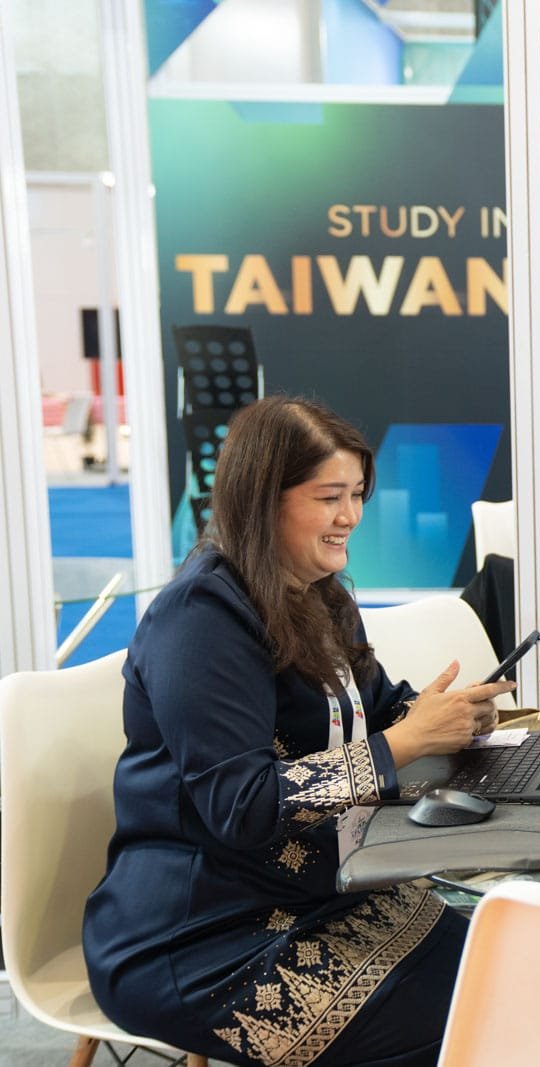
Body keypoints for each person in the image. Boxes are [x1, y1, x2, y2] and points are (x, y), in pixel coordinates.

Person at [84, 396, 516, 1066]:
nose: (351, 516)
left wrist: (443, 716)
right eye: (330, 497)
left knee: (509, 977)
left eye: (357, 494)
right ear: (263, 500)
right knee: (465, 1023)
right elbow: (243, 805)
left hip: (317, 891)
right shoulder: (200, 618)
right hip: (195, 935)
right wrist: (407, 742)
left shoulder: (319, 593)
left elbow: (375, 709)